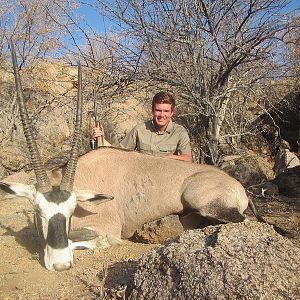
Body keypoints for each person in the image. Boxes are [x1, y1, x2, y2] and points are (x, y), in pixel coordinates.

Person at [92, 91, 193, 162]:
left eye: (166, 111)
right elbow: (120, 152)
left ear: (171, 113)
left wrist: (168, 158)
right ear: (152, 111)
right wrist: (101, 139)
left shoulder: (179, 132)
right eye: (158, 110)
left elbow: (187, 158)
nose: (162, 115)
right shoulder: (139, 129)